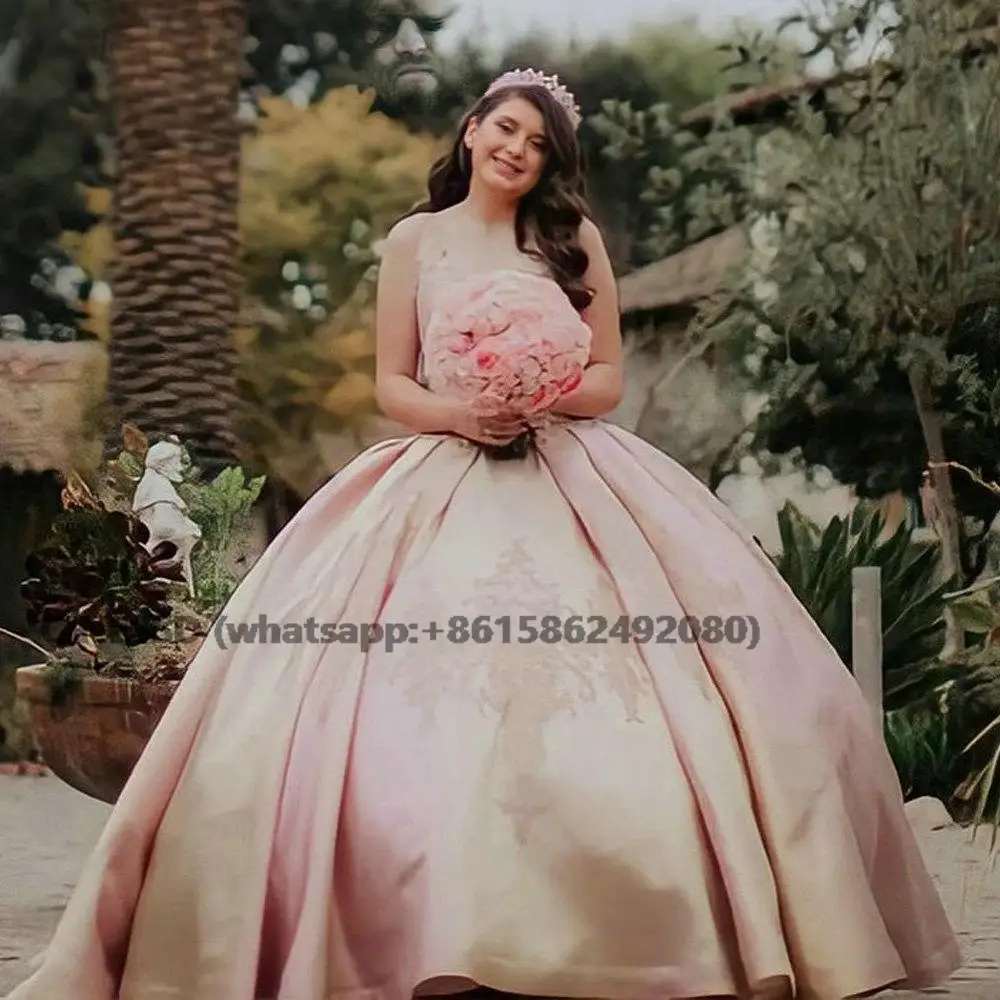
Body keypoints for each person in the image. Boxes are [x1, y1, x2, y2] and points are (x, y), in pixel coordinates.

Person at [6, 69, 961, 1000]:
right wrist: (465, 412)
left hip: (575, 468)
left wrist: (536, 389)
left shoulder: (572, 237)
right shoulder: (415, 241)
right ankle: (418, 922)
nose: (517, 150)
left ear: (552, 163)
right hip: (442, 466)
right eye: (505, 129)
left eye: (539, 143)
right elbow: (393, 385)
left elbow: (609, 380)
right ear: (471, 131)